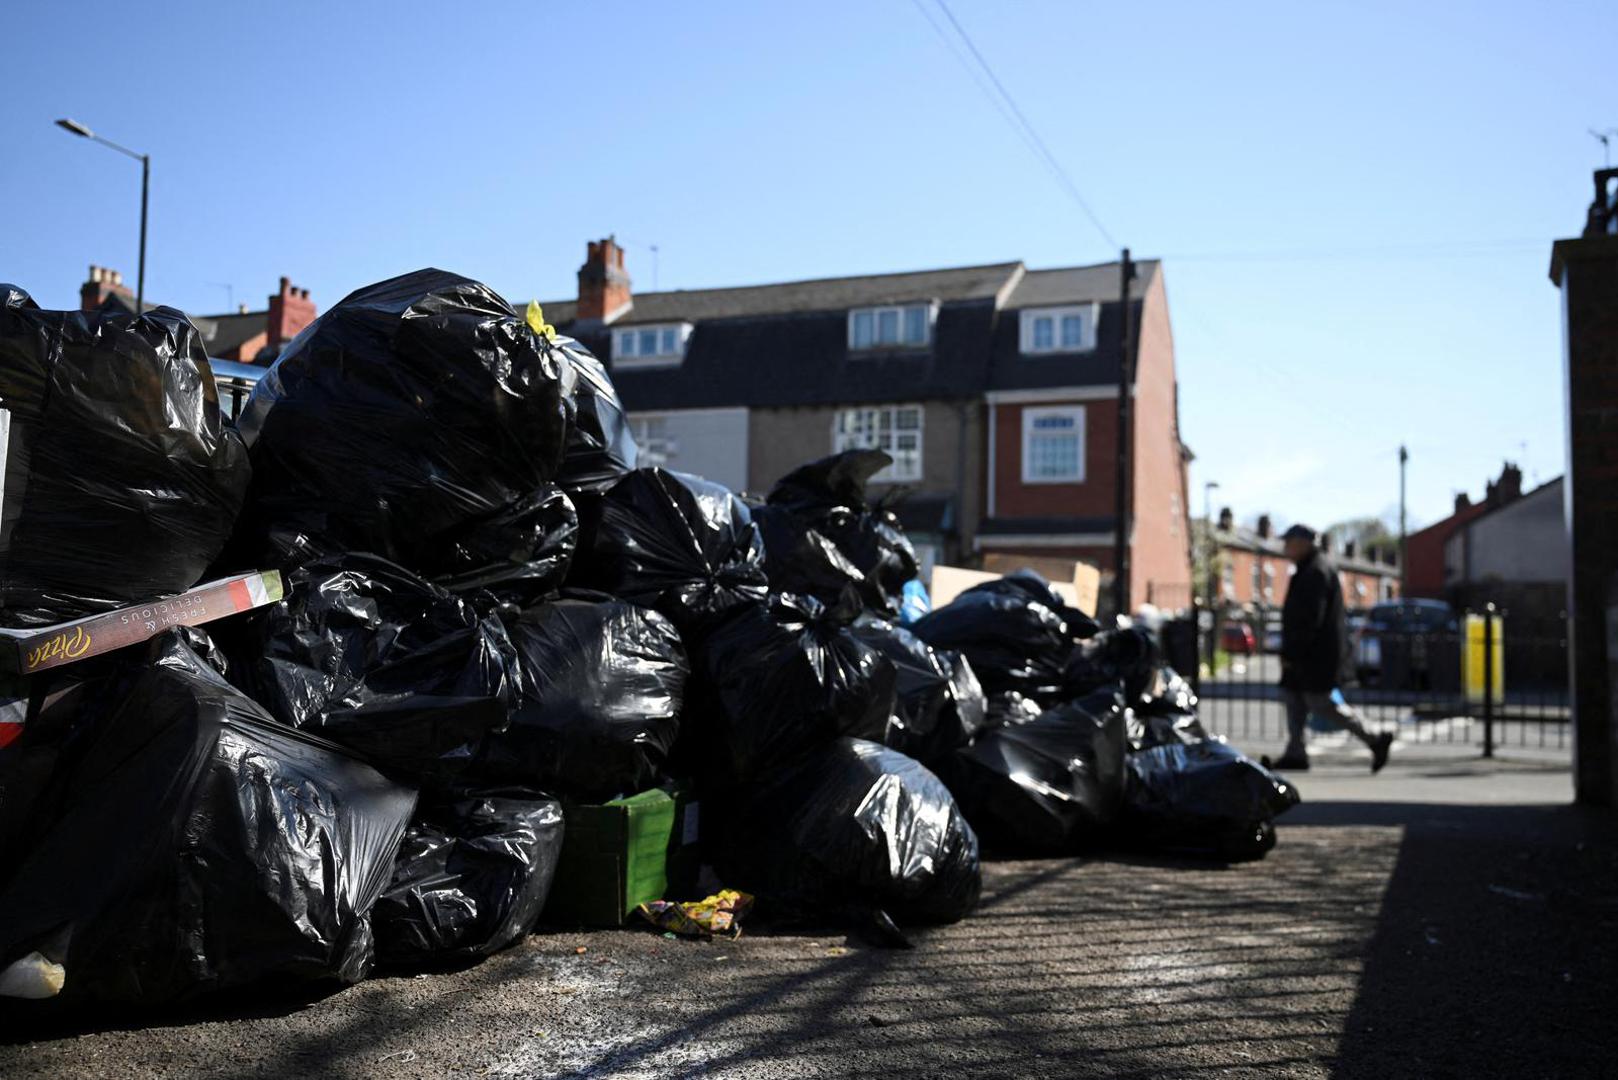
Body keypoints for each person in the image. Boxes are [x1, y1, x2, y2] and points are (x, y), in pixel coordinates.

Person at [1274, 524, 1393, 772]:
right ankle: (1295, 751)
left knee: (1322, 703)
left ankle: (1374, 737)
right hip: (1308, 654)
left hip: (1314, 656)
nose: (1285, 547)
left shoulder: (1316, 571)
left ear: (1304, 543)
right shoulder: (1311, 569)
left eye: (1289, 542)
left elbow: (1310, 619)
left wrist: (1293, 652)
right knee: (1294, 699)